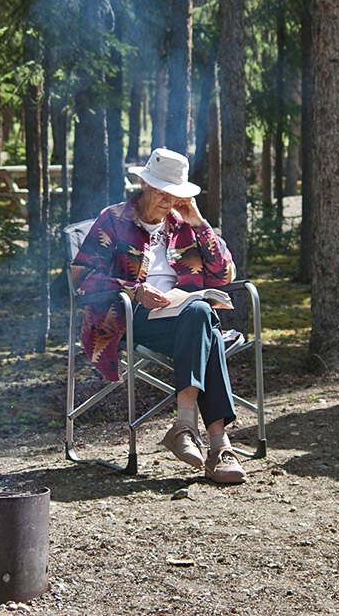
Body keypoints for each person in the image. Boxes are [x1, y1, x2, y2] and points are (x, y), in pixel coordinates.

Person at [71, 147, 246, 484]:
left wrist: (200, 222)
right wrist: (132, 290)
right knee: (204, 321)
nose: (168, 199)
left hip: (183, 322)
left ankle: (186, 428)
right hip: (126, 319)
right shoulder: (114, 219)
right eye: (161, 189)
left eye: (174, 192)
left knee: (200, 315)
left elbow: (223, 276)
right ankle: (218, 445)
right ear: (142, 183)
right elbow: (81, 278)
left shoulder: (184, 224)